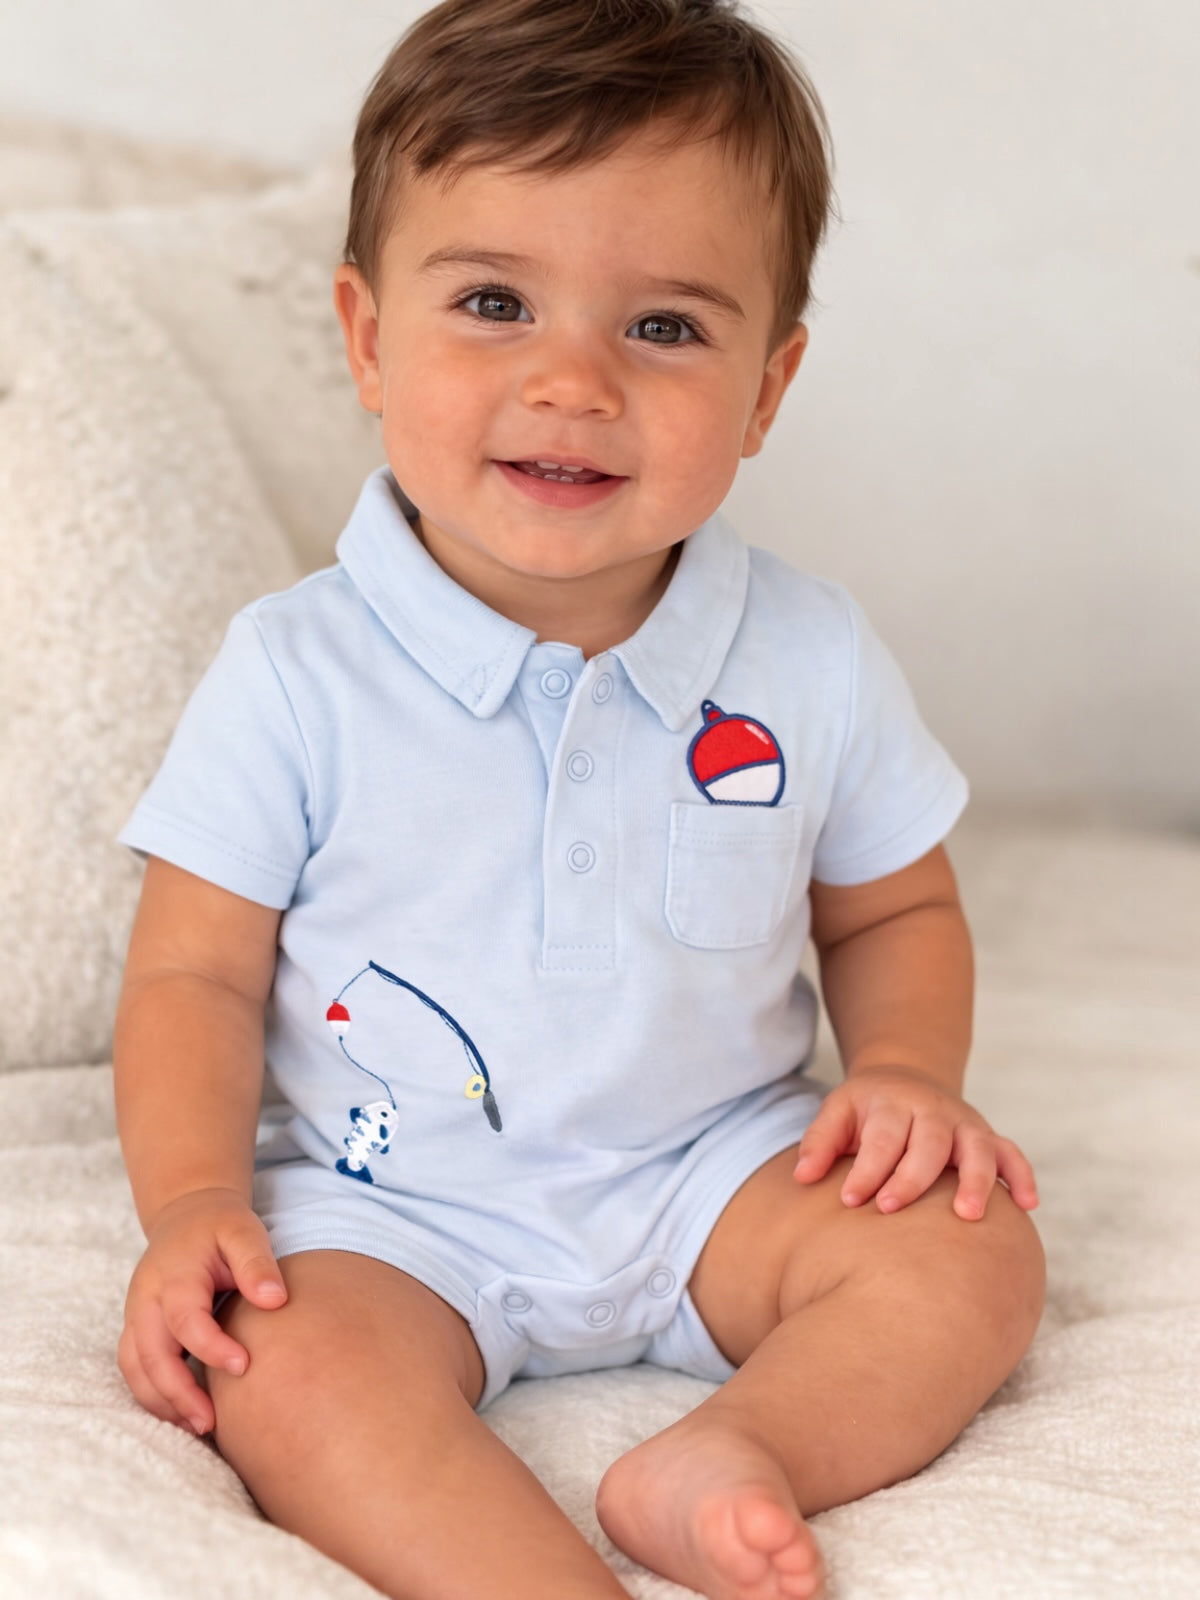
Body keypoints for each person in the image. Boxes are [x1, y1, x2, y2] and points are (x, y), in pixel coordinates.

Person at [111, 2, 1045, 1596]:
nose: (570, 380)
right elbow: (195, 969)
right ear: (364, 339)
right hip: (391, 1204)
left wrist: (902, 1072)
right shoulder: (297, 670)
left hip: (719, 1175)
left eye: (666, 329)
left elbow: (893, 902)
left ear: (768, 387)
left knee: (974, 1250)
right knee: (277, 1365)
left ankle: (737, 1450)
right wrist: (196, 1198)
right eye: (492, 301)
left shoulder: (806, 654)